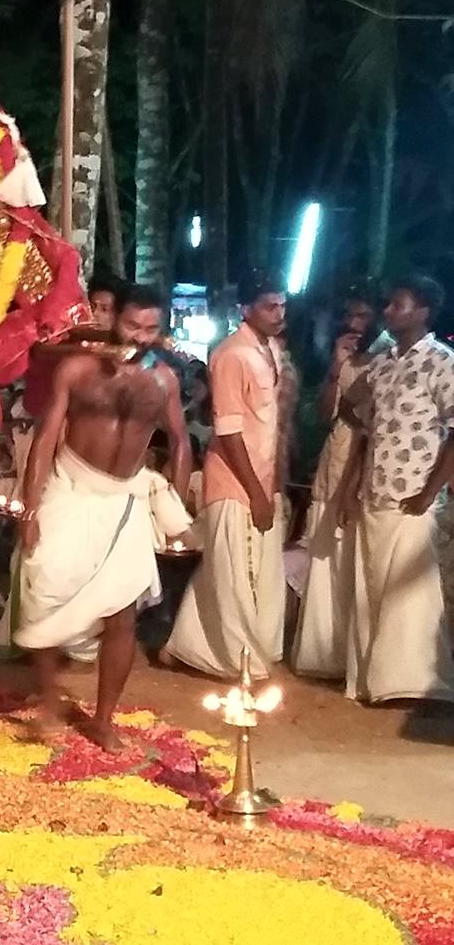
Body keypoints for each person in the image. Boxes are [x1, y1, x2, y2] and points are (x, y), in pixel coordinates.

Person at [13, 286, 192, 748]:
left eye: (153, 328)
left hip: (123, 500)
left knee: (122, 614)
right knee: (43, 587)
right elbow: (47, 437)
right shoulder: (78, 370)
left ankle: (104, 719)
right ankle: (51, 702)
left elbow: (180, 440)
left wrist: (175, 496)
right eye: (134, 325)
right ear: (114, 322)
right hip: (69, 490)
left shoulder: (164, 382)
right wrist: (30, 509)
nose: (142, 336)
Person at [338, 277, 454, 707]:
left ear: (423, 312)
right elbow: (352, 408)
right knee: (374, 588)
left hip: (415, 496)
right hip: (377, 491)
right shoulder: (384, 363)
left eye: (398, 305)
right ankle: (375, 681)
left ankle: (413, 684)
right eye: (389, 304)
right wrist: (353, 486)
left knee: (412, 595)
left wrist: (430, 490)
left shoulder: (443, 362)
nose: (389, 311)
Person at [165, 278, 288, 680]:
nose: (279, 314)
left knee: (229, 571)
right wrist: (256, 493)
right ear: (245, 309)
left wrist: (271, 485)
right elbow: (229, 431)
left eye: (282, 306)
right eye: (270, 306)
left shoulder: (269, 351)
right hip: (235, 481)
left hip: (262, 479)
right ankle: (236, 658)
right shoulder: (232, 355)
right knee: (235, 574)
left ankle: (187, 647)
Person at [290, 295, 378, 679]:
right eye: (349, 314)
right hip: (335, 455)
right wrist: (335, 369)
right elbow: (325, 415)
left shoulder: (387, 359)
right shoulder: (343, 360)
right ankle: (322, 652)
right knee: (324, 552)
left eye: (362, 314)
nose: (354, 322)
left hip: (367, 461)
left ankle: (355, 654)